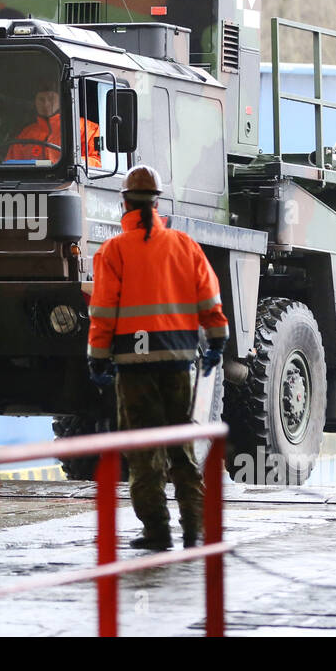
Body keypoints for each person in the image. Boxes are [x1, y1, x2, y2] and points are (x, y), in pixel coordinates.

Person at [86, 165, 230, 550]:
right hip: (178, 362)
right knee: (181, 447)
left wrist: (97, 358)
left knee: (144, 450)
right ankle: (195, 528)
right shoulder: (184, 246)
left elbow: (102, 312)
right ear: (158, 202)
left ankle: (157, 530)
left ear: (124, 203)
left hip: (133, 368)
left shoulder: (113, 251)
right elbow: (210, 300)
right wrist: (216, 342)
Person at [4, 88, 101, 167]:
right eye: (41, 99)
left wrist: (65, 163)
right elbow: (11, 165)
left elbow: (98, 163)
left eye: (51, 98)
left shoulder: (87, 128)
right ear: (35, 102)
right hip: (31, 186)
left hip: (70, 185)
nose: (46, 104)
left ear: (60, 100)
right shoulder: (26, 134)